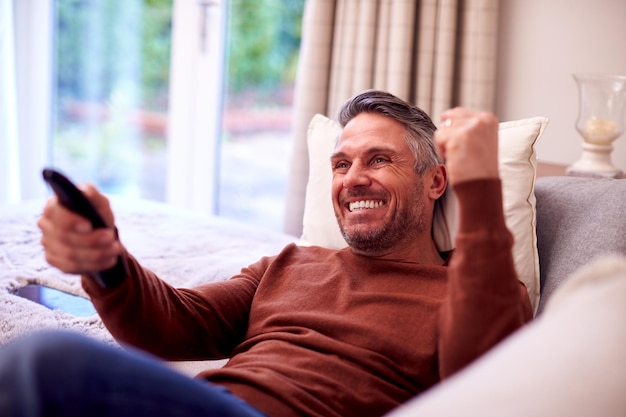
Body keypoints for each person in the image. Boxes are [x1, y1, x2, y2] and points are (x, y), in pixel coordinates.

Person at [0, 90, 532, 417]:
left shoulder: (479, 292)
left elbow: (480, 377)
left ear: (437, 181)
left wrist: (481, 184)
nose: (353, 179)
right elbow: (171, 325)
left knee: (45, 360)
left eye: (379, 159)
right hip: (214, 405)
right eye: (341, 164)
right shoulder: (291, 264)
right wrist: (104, 259)